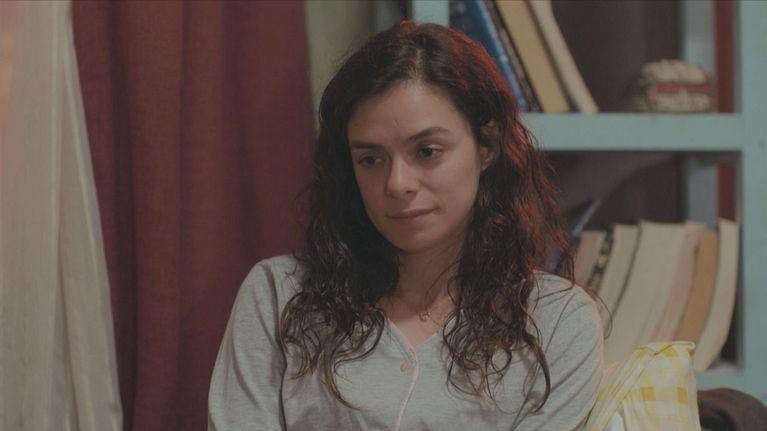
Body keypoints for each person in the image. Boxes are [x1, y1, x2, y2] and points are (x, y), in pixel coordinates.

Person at [208, 21, 603, 431]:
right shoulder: (278, 296)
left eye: (427, 151)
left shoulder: (557, 320)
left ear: (486, 146)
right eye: (371, 159)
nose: (397, 184)